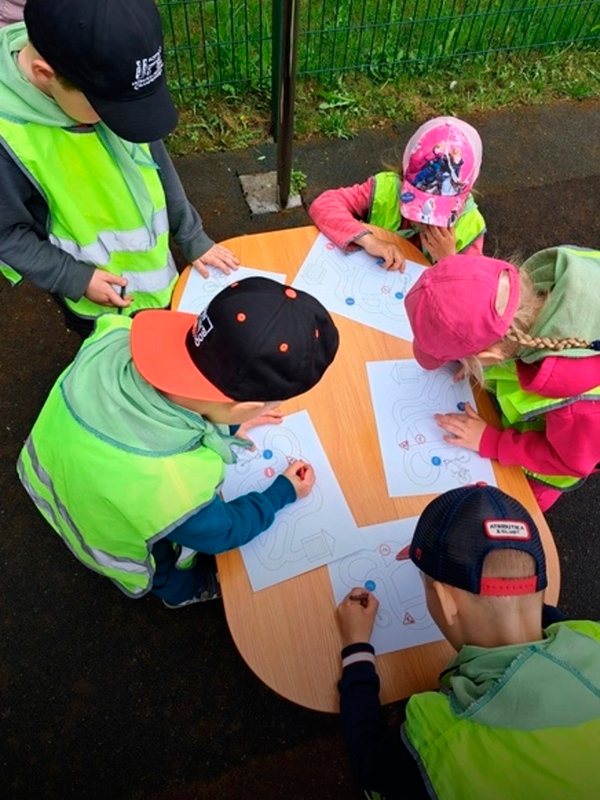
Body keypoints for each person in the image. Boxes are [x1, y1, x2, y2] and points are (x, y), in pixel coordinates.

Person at [17, 277, 339, 607]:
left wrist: (226, 424)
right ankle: (183, 593)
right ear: (245, 407)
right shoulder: (177, 488)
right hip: (105, 532)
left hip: (52, 472)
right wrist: (282, 493)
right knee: (167, 570)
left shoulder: (115, 333)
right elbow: (224, 531)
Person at [337, 485, 600, 800]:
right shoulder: (591, 635)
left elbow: (368, 762)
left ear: (445, 601)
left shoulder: (435, 733)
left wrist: (356, 646)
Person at [0, 0, 238, 339]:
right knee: (111, 349)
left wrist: (191, 235)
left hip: (154, 277)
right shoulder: (8, 141)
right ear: (44, 74)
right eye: (108, 108)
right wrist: (75, 278)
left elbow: (156, 165)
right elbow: (7, 234)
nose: (125, 121)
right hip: (93, 298)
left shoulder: (104, 80)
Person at [404, 247, 600, 511]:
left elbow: (568, 462)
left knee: (517, 504)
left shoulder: (577, 408)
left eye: (465, 360)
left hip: (553, 461)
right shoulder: (547, 280)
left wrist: (490, 441)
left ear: (489, 356)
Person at [308, 116, 486, 270]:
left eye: (440, 211)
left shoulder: (470, 225)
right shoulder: (387, 189)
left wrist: (448, 261)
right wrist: (369, 241)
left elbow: (473, 293)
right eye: (417, 202)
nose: (426, 219)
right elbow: (324, 205)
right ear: (404, 176)